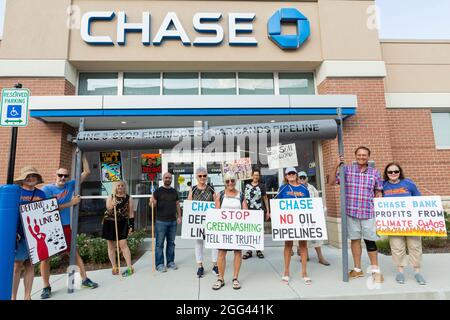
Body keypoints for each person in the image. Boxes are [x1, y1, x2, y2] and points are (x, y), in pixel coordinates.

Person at [40, 156, 98, 299]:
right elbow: (48, 208)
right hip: (49, 226)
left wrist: (82, 154)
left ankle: (84, 279)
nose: (63, 178)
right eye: (60, 175)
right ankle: (46, 287)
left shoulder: (70, 185)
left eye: (65, 175)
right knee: (45, 258)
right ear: (56, 175)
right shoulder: (47, 189)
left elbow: (87, 172)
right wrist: (71, 203)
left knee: (73, 253)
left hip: (65, 226)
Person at [330, 146, 384, 283]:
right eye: (359, 155)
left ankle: (375, 271)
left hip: (368, 212)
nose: (361, 157)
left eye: (364, 155)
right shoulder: (346, 170)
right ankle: (357, 270)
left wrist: (379, 200)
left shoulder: (375, 173)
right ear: (355, 156)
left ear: (368, 157)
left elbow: (379, 191)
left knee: (370, 241)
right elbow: (331, 182)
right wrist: (336, 165)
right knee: (355, 240)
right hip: (351, 212)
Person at [382, 162, 426, 285]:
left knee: (415, 246)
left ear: (400, 172)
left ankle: (417, 272)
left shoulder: (408, 183)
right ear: (386, 173)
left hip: (411, 222)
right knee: (397, 247)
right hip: (393, 223)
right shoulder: (383, 185)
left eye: (396, 171)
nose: (393, 174)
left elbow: (418, 199)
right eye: (390, 172)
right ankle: (400, 272)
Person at [12, 166, 47, 300]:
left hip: (34, 236)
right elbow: (10, 214)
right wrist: (12, 231)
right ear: (23, 179)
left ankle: (27, 296)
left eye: (33, 176)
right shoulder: (16, 192)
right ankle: (13, 297)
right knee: (17, 265)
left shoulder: (41, 194)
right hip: (18, 235)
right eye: (28, 176)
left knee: (30, 264)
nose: (31, 178)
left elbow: (45, 215)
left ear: (37, 179)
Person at [212, 172, 248, 290]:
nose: (230, 183)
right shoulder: (220, 195)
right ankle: (220, 279)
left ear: (235, 181)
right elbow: (216, 213)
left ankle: (235, 278)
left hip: (237, 229)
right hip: (223, 230)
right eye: (227, 181)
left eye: (232, 180)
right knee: (222, 253)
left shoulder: (241, 195)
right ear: (225, 183)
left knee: (238, 253)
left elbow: (246, 213)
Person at [277, 167, 312, 285]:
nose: (291, 175)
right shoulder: (283, 188)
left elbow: (309, 204)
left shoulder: (304, 188)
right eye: (288, 174)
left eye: (293, 173)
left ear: (296, 175)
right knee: (288, 244)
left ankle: (304, 272)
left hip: (302, 221)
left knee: (303, 245)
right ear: (286, 176)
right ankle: (286, 272)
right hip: (288, 222)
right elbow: (277, 203)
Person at [187, 167, 219, 278]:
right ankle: (200, 266)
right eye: (200, 176)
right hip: (197, 222)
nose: (202, 178)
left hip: (209, 221)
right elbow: (189, 205)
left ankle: (215, 265)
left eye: (204, 175)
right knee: (199, 243)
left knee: (213, 243)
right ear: (196, 177)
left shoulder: (211, 189)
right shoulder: (193, 189)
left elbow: (216, 204)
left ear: (207, 176)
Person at [295, 171, 330, 266]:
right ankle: (304, 255)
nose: (302, 179)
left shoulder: (312, 188)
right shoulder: (295, 188)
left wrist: (321, 211)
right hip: (300, 217)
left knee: (315, 238)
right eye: (300, 177)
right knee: (302, 237)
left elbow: (318, 201)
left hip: (312, 217)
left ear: (307, 178)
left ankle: (320, 257)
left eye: (303, 177)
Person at [103, 180, 135, 277]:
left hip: (122, 222)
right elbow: (108, 208)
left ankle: (129, 267)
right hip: (110, 222)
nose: (120, 187)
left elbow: (131, 213)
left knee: (123, 245)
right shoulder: (110, 197)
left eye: (122, 186)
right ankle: (114, 267)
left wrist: (131, 226)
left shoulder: (129, 198)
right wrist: (112, 204)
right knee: (111, 246)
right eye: (118, 186)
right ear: (115, 187)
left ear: (125, 187)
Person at [151, 172, 182, 272]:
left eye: (169, 178)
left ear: (171, 179)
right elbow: (152, 205)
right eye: (166, 178)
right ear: (163, 179)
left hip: (172, 221)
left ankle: (170, 262)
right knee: (159, 244)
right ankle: (159, 264)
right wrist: (152, 202)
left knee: (171, 243)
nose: (167, 179)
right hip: (161, 222)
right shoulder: (158, 191)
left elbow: (177, 204)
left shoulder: (174, 191)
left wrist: (179, 216)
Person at [243, 168, 270, 259]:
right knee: (249, 231)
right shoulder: (246, 185)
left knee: (258, 231)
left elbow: (265, 198)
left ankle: (258, 249)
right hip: (248, 211)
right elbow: (243, 199)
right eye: (254, 175)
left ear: (259, 176)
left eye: (257, 175)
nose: (256, 177)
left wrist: (268, 211)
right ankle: (249, 250)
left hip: (258, 211)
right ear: (252, 175)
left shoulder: (262, 186)